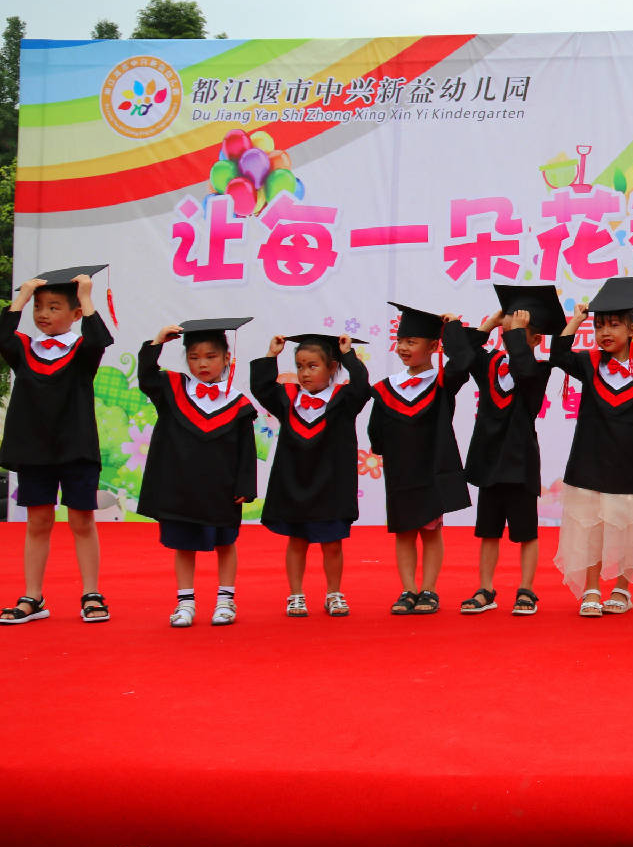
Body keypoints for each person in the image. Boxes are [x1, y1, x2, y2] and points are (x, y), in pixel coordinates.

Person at [550, 275, 633, 617]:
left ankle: (621, 589)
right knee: (592, 527)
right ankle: (591, 588)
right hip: (591, 459)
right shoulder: (589, 364)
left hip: (632, 462)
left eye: (614, 325)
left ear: (632, 329)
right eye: (599, 325)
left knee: (628, 527)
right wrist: (577, 320)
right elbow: (558, 354)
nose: (605, 332)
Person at [0, 265, 113, 625]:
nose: (43, 314)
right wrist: (21, 297)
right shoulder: (24, 349)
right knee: (37, 521)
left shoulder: (81, 351)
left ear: (75, 315)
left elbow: (99, 340)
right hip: (34, 450)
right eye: (39, 307)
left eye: (53, 307)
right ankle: (32, 597)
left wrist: (86, 297)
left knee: (81, 519)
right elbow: (2, 335)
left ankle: (91, 593)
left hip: (75, 448)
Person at [136, 318, 258, 627]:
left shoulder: (238, 403)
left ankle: (225, 600)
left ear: (227, 358)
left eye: (211, 356)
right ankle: (185, 603)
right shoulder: (172, 389)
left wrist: (245, 485)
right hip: (181, 488)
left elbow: (246, 450)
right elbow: (147, 375)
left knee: (225, 544)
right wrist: (157, 343)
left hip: (221, 489)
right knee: (184, 545)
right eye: (194, 357)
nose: (202, 364)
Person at [451, 284, 561, 617]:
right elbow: (463, 355)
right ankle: (485, 588)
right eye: (508, 328)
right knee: (488, 531)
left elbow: (523, 368)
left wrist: (515, 335)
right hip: (489, 460)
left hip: (519, 461)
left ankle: (526, 589)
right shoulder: (490, 365)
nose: (509, 333)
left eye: (519, 331)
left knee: (526, 532)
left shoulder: (538, 370)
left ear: (536, 339)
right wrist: (489, 325)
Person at [251, 332, 372, 617]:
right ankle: (295, 594)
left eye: (313, 366)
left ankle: (334, 593)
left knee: (332, 544)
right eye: (300, 366)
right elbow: (261, 387)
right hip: (295, 483)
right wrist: (271, 356)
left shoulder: (344, 401)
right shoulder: (287, 399)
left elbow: (362, 386)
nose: (305, 373)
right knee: (297, 542)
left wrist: (348, 355)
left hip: (331, 486)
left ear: (332, 367)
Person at [368, 302, 472, 616]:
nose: (403, 347)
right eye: (401, 341)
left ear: (432, 347)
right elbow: (376, 431)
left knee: (430, 531)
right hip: (401, 471)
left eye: (411, 342)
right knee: (404, 532)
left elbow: (463, 360)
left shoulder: (441, 384)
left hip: (432, 470)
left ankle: (428, 588)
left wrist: (452, 328)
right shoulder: (386, 389)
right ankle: (408, 590)